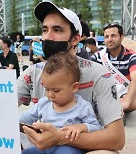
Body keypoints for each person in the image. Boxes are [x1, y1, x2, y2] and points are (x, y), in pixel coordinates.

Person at [17, 1, 124, 153]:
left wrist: (61, 137)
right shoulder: (33, 72)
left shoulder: (99, 75)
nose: (48, 37)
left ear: (75, 39)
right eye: (45, 30)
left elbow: (117, 139)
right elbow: (2, 106)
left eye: (57, 30)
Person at [20, 52, 102, 154]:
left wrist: (81, 127)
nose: (50, 95)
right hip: (46, 146)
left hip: (69, 146)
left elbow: (96, 127)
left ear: (74, 87)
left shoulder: (82, 107)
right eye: (47, 89)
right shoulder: (43, 103)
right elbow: (24, 119)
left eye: (56, 91)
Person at [90, 23, 136, 113]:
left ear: (121, 37)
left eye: (113, 36)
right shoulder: (97, 56)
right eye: (106, 37)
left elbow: (135, 79)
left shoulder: (132, 56)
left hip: (125, 96)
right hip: (103, 94)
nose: (109, 39)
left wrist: (126, 101)